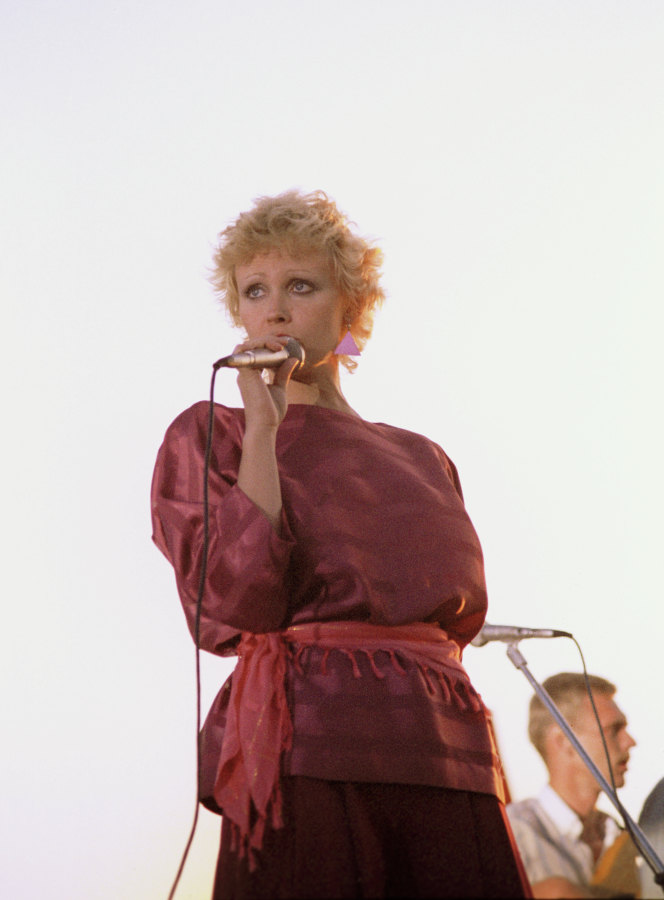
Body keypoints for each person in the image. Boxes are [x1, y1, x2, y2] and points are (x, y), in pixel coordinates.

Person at [151, 189, 531, 899]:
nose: (274, 309)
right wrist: (262, 430)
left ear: (352, 311)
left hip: (447, 753)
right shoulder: (211, 434)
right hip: (312, 750)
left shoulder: (423, 456)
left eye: (300, 285)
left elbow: (461, 622)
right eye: (254, 291)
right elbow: (234, 606)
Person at [507, 672, 639, 899]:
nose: (630, 741)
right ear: (563, 741)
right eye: (613, 729)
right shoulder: (509, 835)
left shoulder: (627, 838)